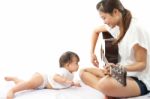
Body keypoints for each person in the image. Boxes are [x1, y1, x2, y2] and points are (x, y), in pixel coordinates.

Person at [80, 0, 150, 98]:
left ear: (115, 12)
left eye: (104, 17)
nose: (104, 21)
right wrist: (92, 53)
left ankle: (110, 90)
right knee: (83, 72)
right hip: (120, 74)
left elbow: (142, 64)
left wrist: (119, 68)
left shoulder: (136, 29)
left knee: (104, 84)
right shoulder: (116, 26)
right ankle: (111, 92)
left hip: (140, 80)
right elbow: (95, 31)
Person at [5, 51, 81, 99]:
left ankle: (16, 79)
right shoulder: (63, 71)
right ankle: (12, 90)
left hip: (44, 85)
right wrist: (66, 80)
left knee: (28, 86)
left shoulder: (71, 74)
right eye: (76, 63)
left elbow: (67, 82)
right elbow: (55, 77)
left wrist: (73, 83)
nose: (78, 65)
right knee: (29, 84)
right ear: (67, 65)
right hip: (43, 78)